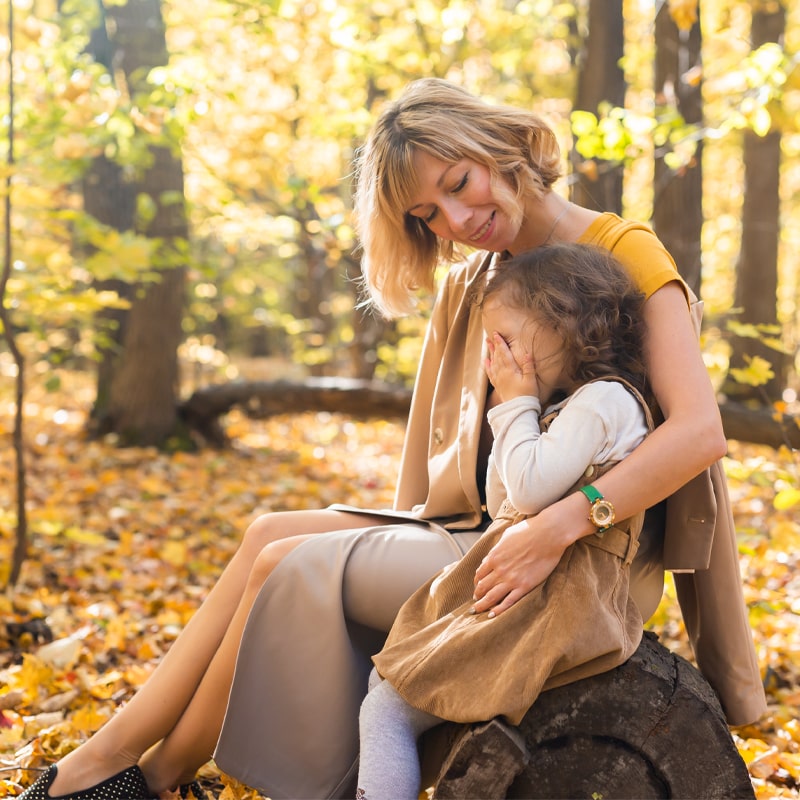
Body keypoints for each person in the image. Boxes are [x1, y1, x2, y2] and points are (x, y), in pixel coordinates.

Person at [18, 78, 765, 800]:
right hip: (487, 527)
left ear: (500, 148)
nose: (455, 217)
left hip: (582, 559)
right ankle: (113, 753)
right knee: (265, 535)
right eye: (427, 213)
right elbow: (454, 451)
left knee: (290, 562)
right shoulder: (481, 277)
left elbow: (699, 432)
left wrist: (565, 520)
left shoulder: (624, 253)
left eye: (459, 181)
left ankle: (145, 777)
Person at [356, 242, 655, 799]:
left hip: (555, 602)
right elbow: (504, 502)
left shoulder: (604, 402)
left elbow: (531, 488)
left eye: (509, 340)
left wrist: (516, 406)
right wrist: (519, 406)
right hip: (528, 590)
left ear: (566, 322)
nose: (499, 356)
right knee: (387, 682)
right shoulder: (569, 407)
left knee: (385, 710)